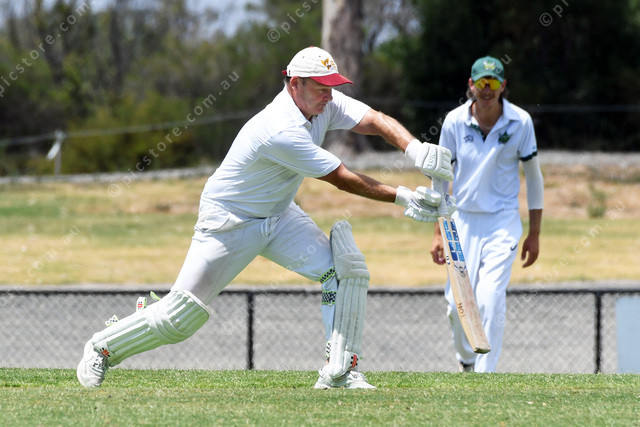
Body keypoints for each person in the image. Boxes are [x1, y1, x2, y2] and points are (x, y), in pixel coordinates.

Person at [77, 46, 455, 389]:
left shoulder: (323, 102)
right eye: (321, 87)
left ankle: (340, 371)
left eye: (332, 86)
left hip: (278, 215)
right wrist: (404, 197)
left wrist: (415, 148)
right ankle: (102, 347)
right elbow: (341, 178)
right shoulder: (280, 129)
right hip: (229, 222)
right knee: (180, 318)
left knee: (343, 272)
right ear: (295, 83)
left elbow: (373, 119)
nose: (329, 95)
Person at [430, 56, 544, 373]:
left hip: (502, 220)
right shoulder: (454, 122)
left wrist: (534, 233)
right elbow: (440, 176)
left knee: (489, 296)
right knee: (456, 305)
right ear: (471, 85)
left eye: (493, 82)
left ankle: (485, 376)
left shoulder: (520, 122)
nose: (487, 89)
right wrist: (438, 232)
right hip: (461, 220)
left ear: (503, 86)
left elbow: (534, 178)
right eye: (482, 82)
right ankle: (467, 361)